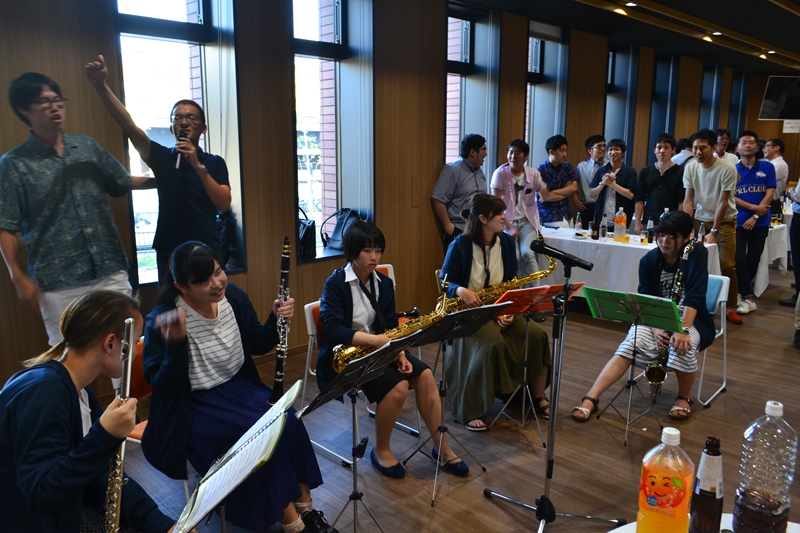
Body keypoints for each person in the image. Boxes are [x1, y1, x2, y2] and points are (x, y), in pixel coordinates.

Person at [142, 241, 336, 533]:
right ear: (181, 286)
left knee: (288, 421)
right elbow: (162, 386)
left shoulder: (233, 297)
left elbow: (257, 343)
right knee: (256, 440)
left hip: (240, 387)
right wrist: (176, 345)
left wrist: (275, 319)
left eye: (218, 272)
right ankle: (294, 526)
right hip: (195, 405)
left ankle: (307, 511)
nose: (216, 283)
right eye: (203, 280)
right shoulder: (164, 317)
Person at [0, 290, 185, 533]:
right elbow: (42, 494)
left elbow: (101, 473)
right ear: (111, 344)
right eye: (135, 341)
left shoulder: (80, 390)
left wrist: (165, 525)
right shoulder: (44, 392)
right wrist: (105, 435)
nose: (137, 350)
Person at [0, 72, 147, 345]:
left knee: (125, 348)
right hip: (58, 280)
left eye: (58, 100)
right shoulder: (14, 164)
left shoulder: (86, 147)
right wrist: (18, 279)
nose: (55, 107)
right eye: (44, 102)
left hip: (109, 269)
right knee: (68, 355)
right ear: (24, 109)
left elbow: (122, 181)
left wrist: (171, 178)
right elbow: (5, 226)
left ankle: (124, 379)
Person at [317, 221, 468, 478]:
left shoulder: (384, 283)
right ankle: (382, 450)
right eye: (367, 251)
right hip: (345, 357)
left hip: (382, 348)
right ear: (352, 251)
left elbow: (389, 325)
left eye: (378, 250)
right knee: (398, 386)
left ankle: (441, 447)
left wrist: (400, 353)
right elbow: (332, 329)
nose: (374, 257)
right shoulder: (336, 283)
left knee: (425, 375)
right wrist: (373, 341)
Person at [86, 55, 232, 283]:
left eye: (191, 118)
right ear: (172, 128)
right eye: (177, 118)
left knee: (211, 300)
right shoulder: (162, 158)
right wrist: (101, 86)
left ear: (203, 128)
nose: (184, 123)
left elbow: (224, 203)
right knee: (170, 304)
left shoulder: (214, 163)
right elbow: (128, 125)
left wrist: (197, 166)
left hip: (207, 247)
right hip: (169, 250)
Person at [571, 211, 715, 423]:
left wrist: (682, 329)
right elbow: (647, 300)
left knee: (682, 345)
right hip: (655, 317)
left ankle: (684, 397)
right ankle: (591, 397)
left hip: (690, 319)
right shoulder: (649, 260)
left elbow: (695, 295)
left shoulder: (696, 253)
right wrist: (657, 329)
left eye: (672, 236)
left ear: (686, 238)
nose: (664, 241)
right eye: (661, 235)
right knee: (631, 343)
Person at [440, 194, 552, 430]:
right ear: (482, 219)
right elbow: (444, 282)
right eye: (499, 214)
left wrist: (508, 309)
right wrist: (460, 290)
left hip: (500, 306)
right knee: (491, 342)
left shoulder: (507, 243)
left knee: (537, 335)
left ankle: (536, 395)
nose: (504, 217)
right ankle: (471, 408)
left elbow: (510, 280)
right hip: (469, 311)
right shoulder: (459, 245)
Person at [682, 128, 741, 324]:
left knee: (727, 264)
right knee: (693, 261)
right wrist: (686, 228)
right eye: (695, 148)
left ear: (714, 148)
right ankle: (693, 303)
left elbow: (723, 202)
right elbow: (688, 200)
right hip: (699, 219)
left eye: (703, 148)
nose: (698, 152)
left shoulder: (727, 168)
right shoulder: (691, 167)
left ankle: (730, 305)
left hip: (724, 221)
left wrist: (714, 231)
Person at [491, 139, 547, 322]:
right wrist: (509, 226)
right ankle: (517, 303)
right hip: (506, 223)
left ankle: (535, 302)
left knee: (528, 254)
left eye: (517, 153)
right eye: (511, 152)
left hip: (527, 222)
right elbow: (495, 204)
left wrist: (548, 194)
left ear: (525, 156)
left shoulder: (533, 174)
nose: (513, 156)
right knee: (513, 258)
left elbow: (545, 193)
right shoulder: (500, 173)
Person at [733, 131, 776, 316]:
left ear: (757, 147)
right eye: (744, 142)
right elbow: (731, 196)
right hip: (739, 221)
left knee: (753, 260)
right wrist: (753, 208)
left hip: (761, 222)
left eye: (751, 142)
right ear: (737, 148)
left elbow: (770, 193)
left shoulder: (767, 167)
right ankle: (747, 297)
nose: (748, 145)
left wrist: (756, 216)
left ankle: (742, 292)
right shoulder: (733, 169)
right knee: (739, 260)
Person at [432, 133, 488, 247]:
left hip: (479, 228)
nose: (486, 154)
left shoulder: (479, 172)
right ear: (472, 152)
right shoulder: (452, 170)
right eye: (483, 149)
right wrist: (448, 226)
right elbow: (438, 199)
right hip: (459, 229)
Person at [634, 133, 685, 234]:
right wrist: (637, 222)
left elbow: (681, 201)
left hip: (672, 222)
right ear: (654, 150)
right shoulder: (646, 171)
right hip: (649, 221)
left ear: (673, 150)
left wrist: (679, 224)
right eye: (659, 147)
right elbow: (639, 198)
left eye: (666, 147)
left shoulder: (681, 172)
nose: (662, 151)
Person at [589, 138, 637, 232]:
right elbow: (591, 193)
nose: (613, 152)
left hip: (621, 217)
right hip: (602, 217)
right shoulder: (602, 171)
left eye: (617, 149)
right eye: (610, 149)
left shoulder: (630, 172)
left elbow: (630, 195)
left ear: (623, 153)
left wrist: (612, 184)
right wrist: (603, 183)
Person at [536, 134, 578, 227]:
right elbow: (545, 198)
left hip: (566, 212)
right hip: (548, 214)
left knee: (572, 226)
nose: (565, 154)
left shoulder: (567, 167)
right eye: (561, 151)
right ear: (551, 152)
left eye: (566, 150)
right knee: (565, 226)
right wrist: (567, 191)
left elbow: (574, 188)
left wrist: (551, 193)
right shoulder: (540, 170)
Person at [574, 135, 607, 230]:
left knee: (604, 233)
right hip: (587, 207)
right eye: (599, 146)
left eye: (604, 146)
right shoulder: (582, 166)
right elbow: (574, 184)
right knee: (586, 234)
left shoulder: (609, 165)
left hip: (604, 206)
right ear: (590, 151)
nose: (603, 149)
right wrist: (576, 199)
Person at [763, 138, 789, 222]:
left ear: (776, 148)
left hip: (771, 203)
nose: (764, 149)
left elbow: (763, 181)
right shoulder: (768, 163)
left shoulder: (780, 164)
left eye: (766, 146)